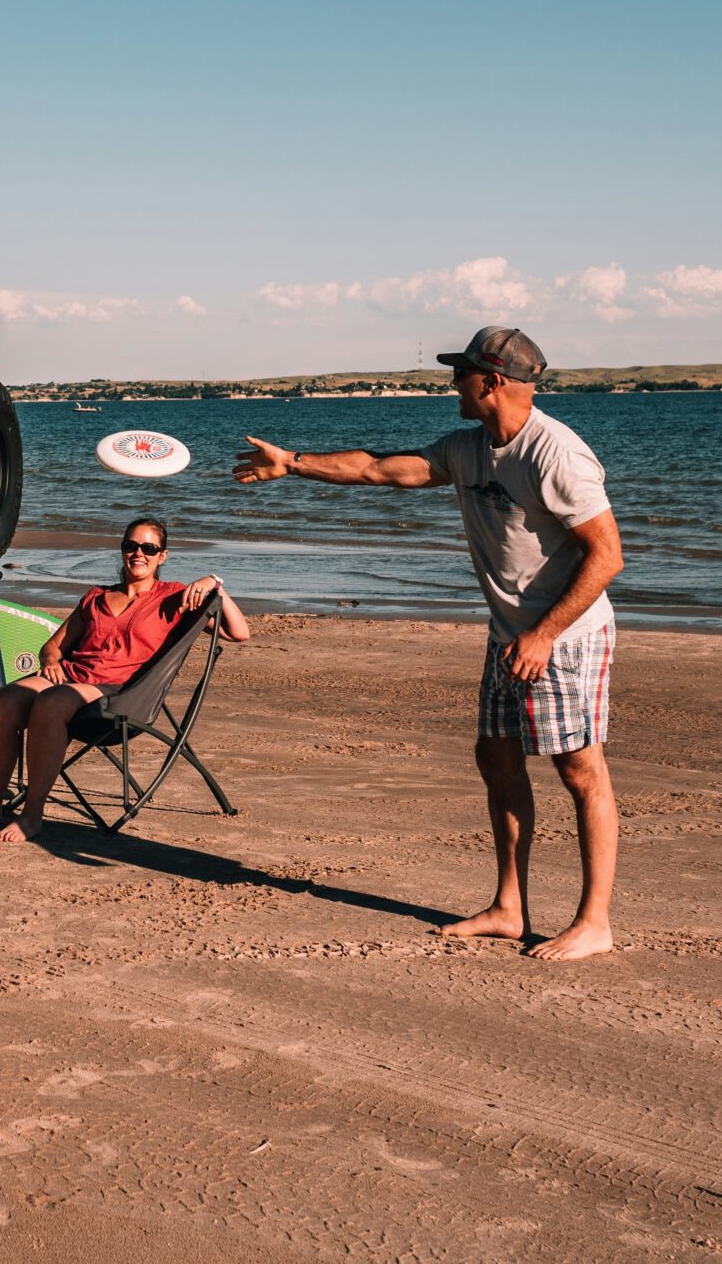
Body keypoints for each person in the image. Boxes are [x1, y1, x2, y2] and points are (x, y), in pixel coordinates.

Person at [233, 325, 625, 960]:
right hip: (511, 633)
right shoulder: (468, 447)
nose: (453, 382)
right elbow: (379, 469)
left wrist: (544, 634)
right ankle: (509, 907)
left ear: (493, 381)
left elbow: (607, 557)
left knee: (581, 770)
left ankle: (595, 921)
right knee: (496, 757)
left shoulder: (557, 454)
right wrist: (294, 464)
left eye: (462, 373)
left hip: (566, 635)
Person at [0, 517, 250, 843]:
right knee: (5, 702)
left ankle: (32, 815)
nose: (139, 553)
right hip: (69, 678)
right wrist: (51, 663)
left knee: (51, 702)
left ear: (162, 555)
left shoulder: (174, 598)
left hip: (119, 693)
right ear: (122, 550)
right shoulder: (96, 597)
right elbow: (52, 647)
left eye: (149, 548)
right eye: (131, 546)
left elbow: (239, 632)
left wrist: (214, 582)